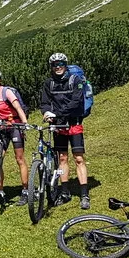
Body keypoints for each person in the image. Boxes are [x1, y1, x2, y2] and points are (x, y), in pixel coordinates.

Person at [38, 52, 92, 209]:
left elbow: (77, 102)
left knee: (79, 158)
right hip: (59, 126)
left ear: (65, 64)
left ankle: (84, 194)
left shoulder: (75, 81)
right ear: (51, 67)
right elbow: (45, 102)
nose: (58, 67)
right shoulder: (49, 83)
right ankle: (65, 192)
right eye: (55, 65)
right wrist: (46, 113)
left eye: (61, 64)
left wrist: (58, 113)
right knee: (62, 158)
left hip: (74, 123)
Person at [0, 67, 30, 205]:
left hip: (14, 127)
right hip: (1, 129)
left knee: (19, 159)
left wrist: (24, 123)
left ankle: (25, 191)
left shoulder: (6, 92)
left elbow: (18, 108)